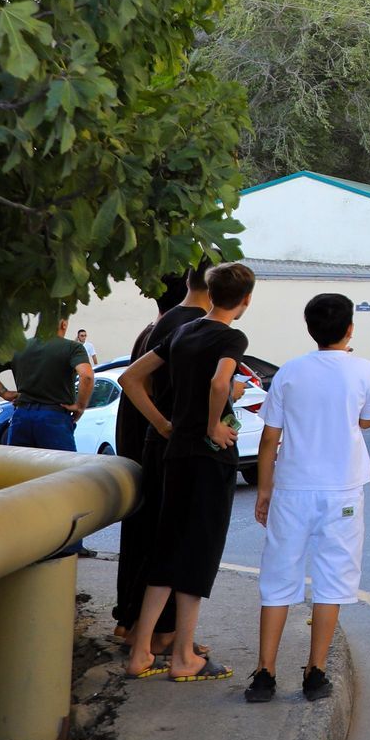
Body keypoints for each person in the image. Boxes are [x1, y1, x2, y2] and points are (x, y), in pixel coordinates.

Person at [246, 293, 370, 706]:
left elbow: (270, 438)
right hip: (342, 489)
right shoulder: (363, 370)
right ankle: (314, 672)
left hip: (291, 488)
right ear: (349, 329)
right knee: (333, 580)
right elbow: (367, 419)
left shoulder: (289, 372)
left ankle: (265, 673)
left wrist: (264, 490)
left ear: (310, 329)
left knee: (277, 579)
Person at [123, 261, 257, 682]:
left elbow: (130, 379)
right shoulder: (231, 336)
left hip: (173, 454)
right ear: (246, 300)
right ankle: (184, 656)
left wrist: (164, 423)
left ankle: (141, 651)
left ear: (207, 292)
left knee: (165, 549)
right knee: (197, 555)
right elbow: (220, 382)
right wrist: (215, 423)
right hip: (207, 458)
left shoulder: (182, 330)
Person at [113, 266, 211, 649]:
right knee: (170, 540)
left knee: (143, 535)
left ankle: (131, 621)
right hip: (168, 447)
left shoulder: (156, 328)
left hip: (144, 444)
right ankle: (160, 633)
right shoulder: (191, 327)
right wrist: (167, 426)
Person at [0, 312, 93, 452]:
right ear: (63, 324)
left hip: (21, 416)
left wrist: (4, 393)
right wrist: (80, 406)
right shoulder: (73, 348)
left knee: (21, 469)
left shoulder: (18, 347)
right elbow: (87, 376)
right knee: (61, 469)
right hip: (54, 417)